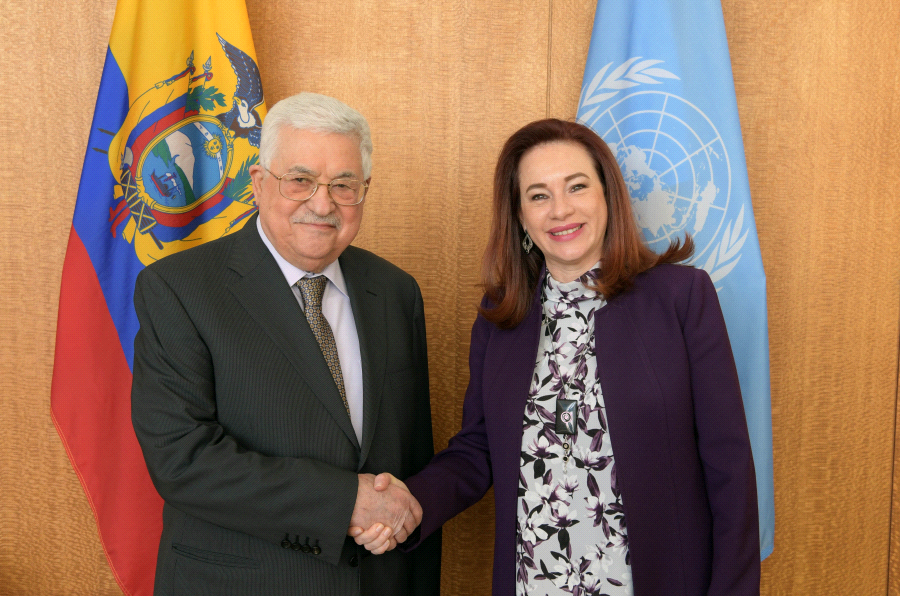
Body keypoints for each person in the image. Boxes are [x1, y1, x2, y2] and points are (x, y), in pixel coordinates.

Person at [354, 119, 760, 595]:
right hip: (535, 582)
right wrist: (410, 502)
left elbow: (729, 466)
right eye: (539, 195)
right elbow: (478, 449)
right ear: (520, 216)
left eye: (577, 187)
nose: (560, 209)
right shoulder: (500, 317)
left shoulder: (681, 298)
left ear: (608, 196)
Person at [131, 92, 440, 595]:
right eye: (300, 181)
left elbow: (408, 458)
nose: (322, 204)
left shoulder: (396, 292)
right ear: (258, 184)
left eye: (344, 185)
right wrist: (345, 502)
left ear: (364, 191)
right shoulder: (179, 289)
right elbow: (181, 459)